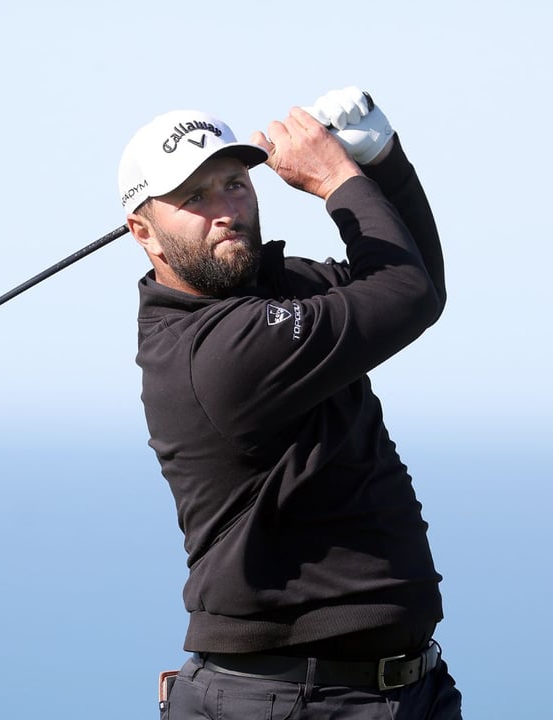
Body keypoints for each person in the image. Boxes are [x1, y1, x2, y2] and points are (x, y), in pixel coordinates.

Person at [118, 87, 461, 718]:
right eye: (194, 197)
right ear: (144, 232)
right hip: (289, 700)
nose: (227, 211)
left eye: (235, 185)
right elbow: (404, 293)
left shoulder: (275, 291)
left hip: (400, 690)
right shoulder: (214, 351)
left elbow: (420, 285)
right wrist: (338, 179)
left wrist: (383, 161)